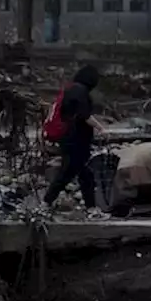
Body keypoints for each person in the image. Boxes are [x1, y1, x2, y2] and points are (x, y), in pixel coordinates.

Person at [43, 65, 105, 211]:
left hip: (71, 140)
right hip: (76, 141)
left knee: (85, 174)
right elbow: (85, 116)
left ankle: (91, 208)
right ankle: (46, 202)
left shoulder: (71, 89)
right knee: (67, 174)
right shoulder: (80, 91)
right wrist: (101, 128)